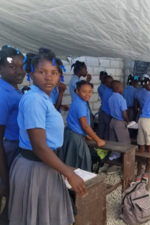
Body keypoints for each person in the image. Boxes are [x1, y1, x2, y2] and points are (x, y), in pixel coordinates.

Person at [9, 48, 86, 225]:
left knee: (44, 216)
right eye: (41, 72)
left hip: (46, 164)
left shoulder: (44, 98)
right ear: (31, 74)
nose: (48, 77)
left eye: (54, 72)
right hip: (36, 167)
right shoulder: (34, 100)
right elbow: (39, 146)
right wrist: (68, 172)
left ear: (59, 75)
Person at [0, 45, 25, 223]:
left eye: (21, 66)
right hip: (8, 152)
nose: (19, 71)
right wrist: (6, 180)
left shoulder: (14, 89)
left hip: (16, 149)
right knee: (8, 198)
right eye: (12, 67)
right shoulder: (2, 94)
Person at [58, 80, 105, 171]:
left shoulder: (78, 100)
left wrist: (87, 135)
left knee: (72, 161)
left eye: (90, 91)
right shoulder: (80, 105)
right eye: (84, 92)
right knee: (82, 162)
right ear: (77, 91)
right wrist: (98, 140)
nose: (87, 94)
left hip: (71, 133)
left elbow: (79, 123)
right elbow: (85, 126)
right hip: (75, 137)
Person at [97, 75, 113, 140]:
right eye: (110, 82)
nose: (111, 83)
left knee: (102, 130)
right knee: (106, 130)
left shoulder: (106, 91)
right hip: (107, 114)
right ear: (106, 84)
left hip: (103, 111)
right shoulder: (110, 92)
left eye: (112, 81)